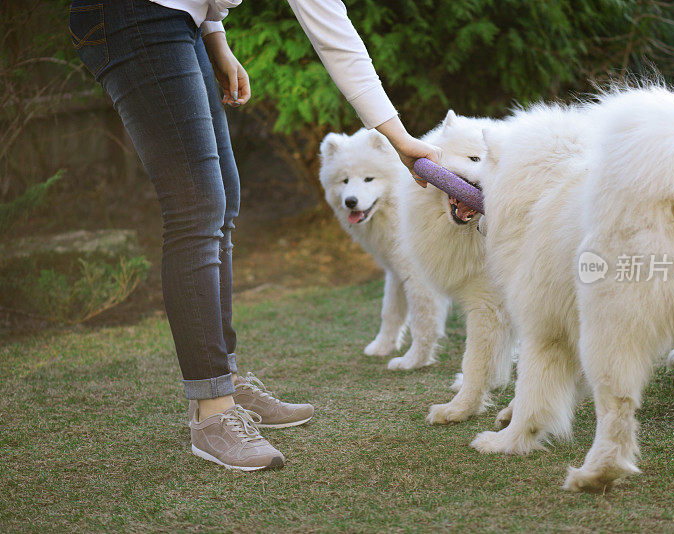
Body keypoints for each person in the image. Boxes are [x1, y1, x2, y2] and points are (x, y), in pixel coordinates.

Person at [68, 0, 441, 472]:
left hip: (181, 19)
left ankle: (223, 380)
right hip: (130, 12)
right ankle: (212, 413)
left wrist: (215, 37)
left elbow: (333, 31)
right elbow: (331, 34)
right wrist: (400, 138)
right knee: (197, 209)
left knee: (222, 202)